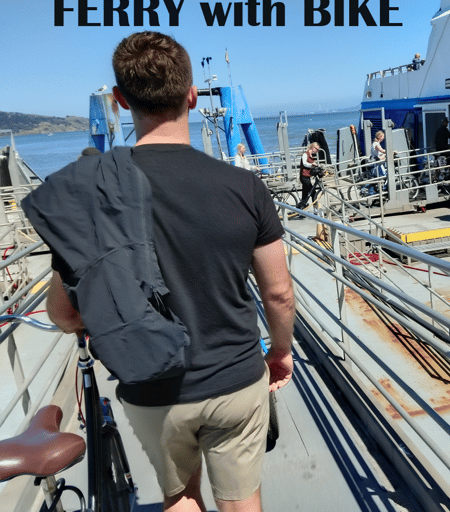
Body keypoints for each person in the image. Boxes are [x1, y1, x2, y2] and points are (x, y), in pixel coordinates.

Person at [42, 31, 295, 512]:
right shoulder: (245, 187)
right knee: (243, 501)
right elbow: (278, 294)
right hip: (237, 379)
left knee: (178, 497)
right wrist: (279, 352)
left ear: (119, 100)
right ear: (193, 97)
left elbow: (64, 313)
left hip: (150, 387)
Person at [297, 142, 321, 211]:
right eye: (316, 149)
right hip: (304, 177)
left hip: (307, 177)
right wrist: (312, 165)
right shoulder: (305, 154)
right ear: (312, 147)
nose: (317, 151)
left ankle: (301, 209)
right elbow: (304, 163)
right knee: (313, 193)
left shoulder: (311, 155)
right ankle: (315, 210)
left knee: (305, 196)